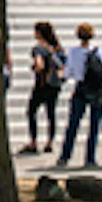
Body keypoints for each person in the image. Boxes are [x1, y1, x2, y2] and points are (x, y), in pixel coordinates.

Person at [60, 22, 102, 170]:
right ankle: (90, 158)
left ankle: (65, 156)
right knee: (94, 126)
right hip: (97, 90)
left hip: (81, 88)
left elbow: (68, 73)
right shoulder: (98, 51)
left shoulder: (73, 52)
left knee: (73, 124)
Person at [29, 20, 68, 158]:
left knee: (31, 110)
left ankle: (34, 142)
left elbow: (39, 65)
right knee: (51, 112)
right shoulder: (57, 48)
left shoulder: (39, 48)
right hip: (55, 85)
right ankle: (50, 142)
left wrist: (35, 68)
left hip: (42, 85)